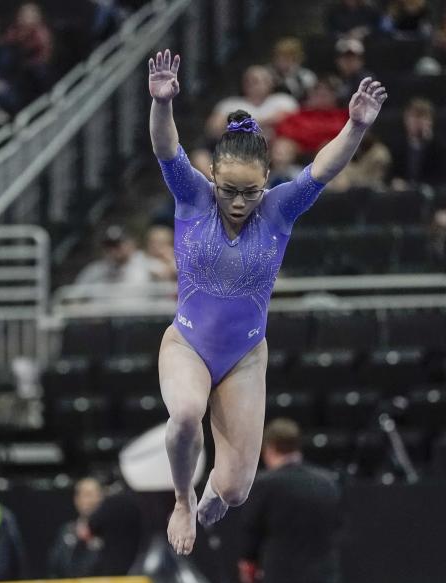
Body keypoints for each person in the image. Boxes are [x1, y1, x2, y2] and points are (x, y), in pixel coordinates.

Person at [147, 49, 387, 555]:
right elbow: (167, 150)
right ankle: (182, 499)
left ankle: (214, 490)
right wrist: (162, 104)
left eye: (249, 193)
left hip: (245, 357)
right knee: (187, 414)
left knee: (235, 490)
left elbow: (320, 169)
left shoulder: (279, 211)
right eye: (229, 191)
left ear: (265, 184)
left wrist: (355, 128)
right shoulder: (192, 197)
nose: (237, 203)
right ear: (213, 177)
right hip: (187, 344)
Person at [238, 419, 341, 583]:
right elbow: (339, 525)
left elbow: (251, 531)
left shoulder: (265, 484)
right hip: (324, 579)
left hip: (280, 581)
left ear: (269, 448)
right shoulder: (327, 481)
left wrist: (248, 563)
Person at [205, 66, 299, 141]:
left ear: (270, 83)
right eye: (247, 80)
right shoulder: (229, 104)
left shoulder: (284, 100)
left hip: (275, 151)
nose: (250, 84)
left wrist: (238, 125)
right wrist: (266, 121)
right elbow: (214, 128)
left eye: (256, 81)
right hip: (236, 149)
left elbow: (293, 123)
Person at [388, 98, 446, 188]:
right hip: (403, 196)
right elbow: (391, 175)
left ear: (431, 122)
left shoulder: (440, 148)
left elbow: (443, 178)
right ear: (406, 120)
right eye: (414, 117)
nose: (418, 122)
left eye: (423, 118)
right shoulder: (397, 147)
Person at [47, 478, 105, 578]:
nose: (91, 501)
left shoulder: (110, 532)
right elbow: (54, 568)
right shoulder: (66, 531)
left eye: (95, 495)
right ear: (77, 499)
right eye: (87, 495)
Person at [269, 38, 317, 103]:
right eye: (278, 57)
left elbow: (311, 99)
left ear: (296, 58)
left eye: (286, 57)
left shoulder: (306, 76)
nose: (281, 61)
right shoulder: (269, 76)